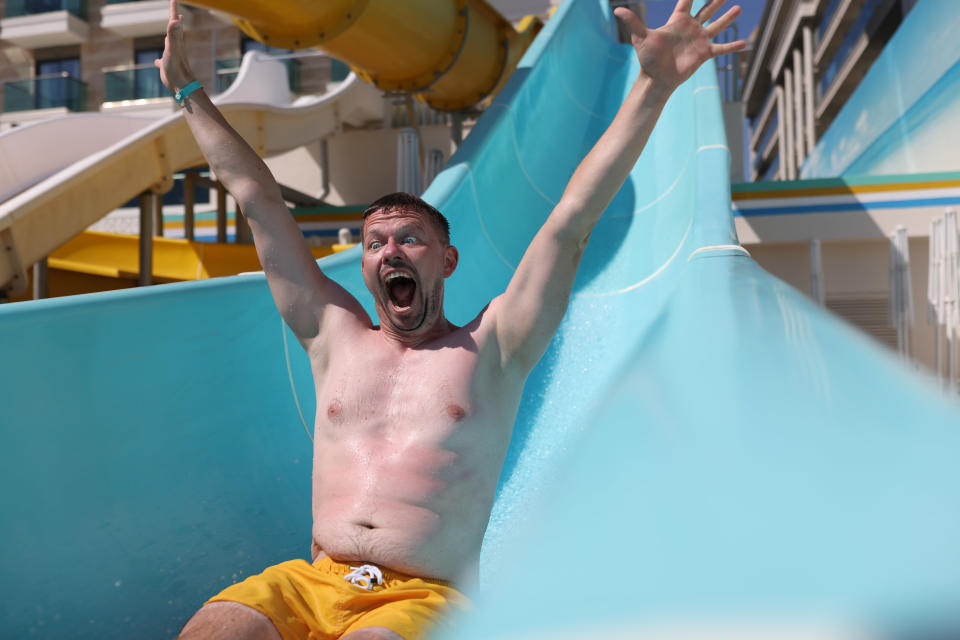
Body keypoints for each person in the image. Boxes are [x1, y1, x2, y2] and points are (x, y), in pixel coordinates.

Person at [158, 0, 744, 638]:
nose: (390, 252)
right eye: (376, 243)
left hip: (425, 597)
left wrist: (652, 87)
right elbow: (256, 198)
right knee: (215, 630)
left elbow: (570, 222)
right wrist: (188, 90)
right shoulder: (333, 334)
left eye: (409, 238)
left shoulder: (495, 346)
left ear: (447, 259)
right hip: (311, 579)